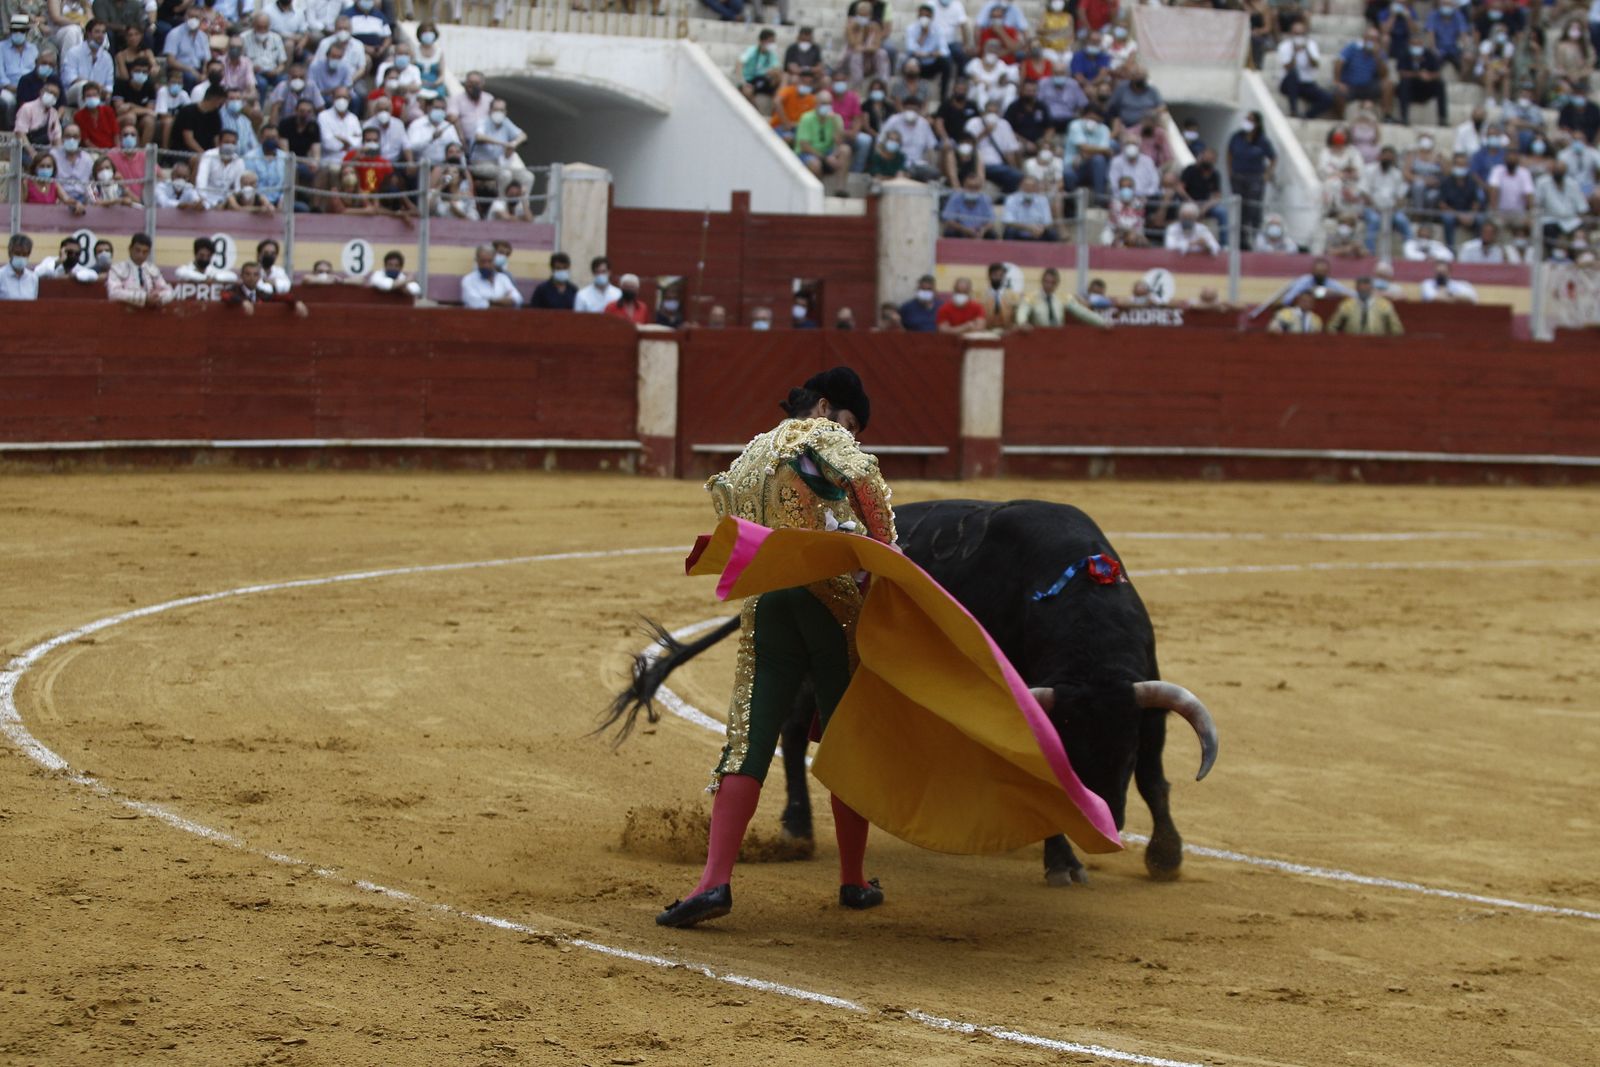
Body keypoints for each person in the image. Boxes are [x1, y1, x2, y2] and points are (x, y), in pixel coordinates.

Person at [644, 368, 893, 929]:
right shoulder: (825, 437)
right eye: (850, 424)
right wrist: (881, 557)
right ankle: (853, 881)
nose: (851, 437)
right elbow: (873, 506)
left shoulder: (754, 451)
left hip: (768, 605)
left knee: (749, 740)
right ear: (827, 407)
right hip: (832, 609)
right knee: (846, 739)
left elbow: (734, 527)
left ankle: (714, 882)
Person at [1226, 111, 1275, 243]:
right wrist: (1230, 172)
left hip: (1255, 178)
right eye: (1246, 119)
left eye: (1251, 120)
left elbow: (1273, 157)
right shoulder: (1236, 137)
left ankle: (1256, 239)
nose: (1247, 122)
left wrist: (1267, 174)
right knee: (1240, 210)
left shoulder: (1262, 140)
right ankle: (1241, 241)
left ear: (1257, 123)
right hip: (1238, 177)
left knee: (1254, 209)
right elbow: (1229, 154)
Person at [1014, 266, 1108, 328]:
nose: (1049, 285)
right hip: (1038, 338)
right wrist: (1022, 323)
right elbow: (1022, 311)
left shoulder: (1062, 298)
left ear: (1057, 284)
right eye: (1046, 282)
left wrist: (1102, 322)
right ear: (1042, 281)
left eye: (1052, 283)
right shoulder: (1031, 297)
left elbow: (1083, 313)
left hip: (1057, 337)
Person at [1277, 19, 1333, 118]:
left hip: (1306, 84)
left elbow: (1316, 64)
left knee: (1327, 98)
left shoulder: (1311, 45)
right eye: (1296, 34)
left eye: (1301, 34)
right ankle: (1293, 110)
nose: (1299, 36)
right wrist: (1294, 52)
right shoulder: (1284, 46)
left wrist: (1306, 51)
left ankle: (1307, 116)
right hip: (1288, 83)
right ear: (1291, 33)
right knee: (1293, 75)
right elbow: (1287, 67)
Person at [222, 259, 309, 316]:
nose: (251, 278)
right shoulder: (233, 290)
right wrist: (242, 301)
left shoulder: (261, 294)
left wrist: (296, 302)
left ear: (259, 277)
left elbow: (281, 297)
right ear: (241, 276)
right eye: (248, 274)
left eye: (255, 274)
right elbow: (225, 295)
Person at [1325, 275, 1404, 334]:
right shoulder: (1346, 305)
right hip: (1351, 344)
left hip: (1377, 344)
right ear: (1357, 288)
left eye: (1367, 287)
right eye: (1361, 287)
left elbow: (1397, 329)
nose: (1364, 289)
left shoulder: (1384, 305)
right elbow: (1332, 327)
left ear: (1372, 288)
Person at [460, 243, 520, 308]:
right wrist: (504, 302)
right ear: (477, 261)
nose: (486, 265)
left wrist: (490, 301)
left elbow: (518, 299)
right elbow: (478, 304)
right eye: (483, 261)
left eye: (490, 261)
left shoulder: (503, 278)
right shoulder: (468, 280)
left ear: (495, 261)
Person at [1, 234, 37, 300]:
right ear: (10, 253)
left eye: (24, 254)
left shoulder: (33, 278)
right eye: (17, 253)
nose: (21, 257)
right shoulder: (1, 275)